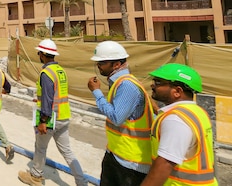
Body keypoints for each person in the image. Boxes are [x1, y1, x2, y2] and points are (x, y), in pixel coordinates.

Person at [18, 39, 86, 186]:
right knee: (68, 152)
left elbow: (49, 99)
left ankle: (35, 177)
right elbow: (55, 95)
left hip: (50, 118)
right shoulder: (60, 71)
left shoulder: (46, 73)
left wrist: (43, 121)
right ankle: (81, 182)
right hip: (63, 116)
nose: (38, 55)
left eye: (38, 53)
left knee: (40, 147)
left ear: (43, 54)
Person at [87, 41, 154, 186]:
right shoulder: (118, 83)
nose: (98, 66)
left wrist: (96, 92)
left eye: (102, 63)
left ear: (116, 65)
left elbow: (117, 118)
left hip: (130, 163)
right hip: (116, 154)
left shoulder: (127, 85)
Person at [141, 63, 217, 186]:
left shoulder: (176, 119)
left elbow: (165, 163)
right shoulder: (197, 112)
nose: (152, 85)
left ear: (177, 91)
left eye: (158, 82)